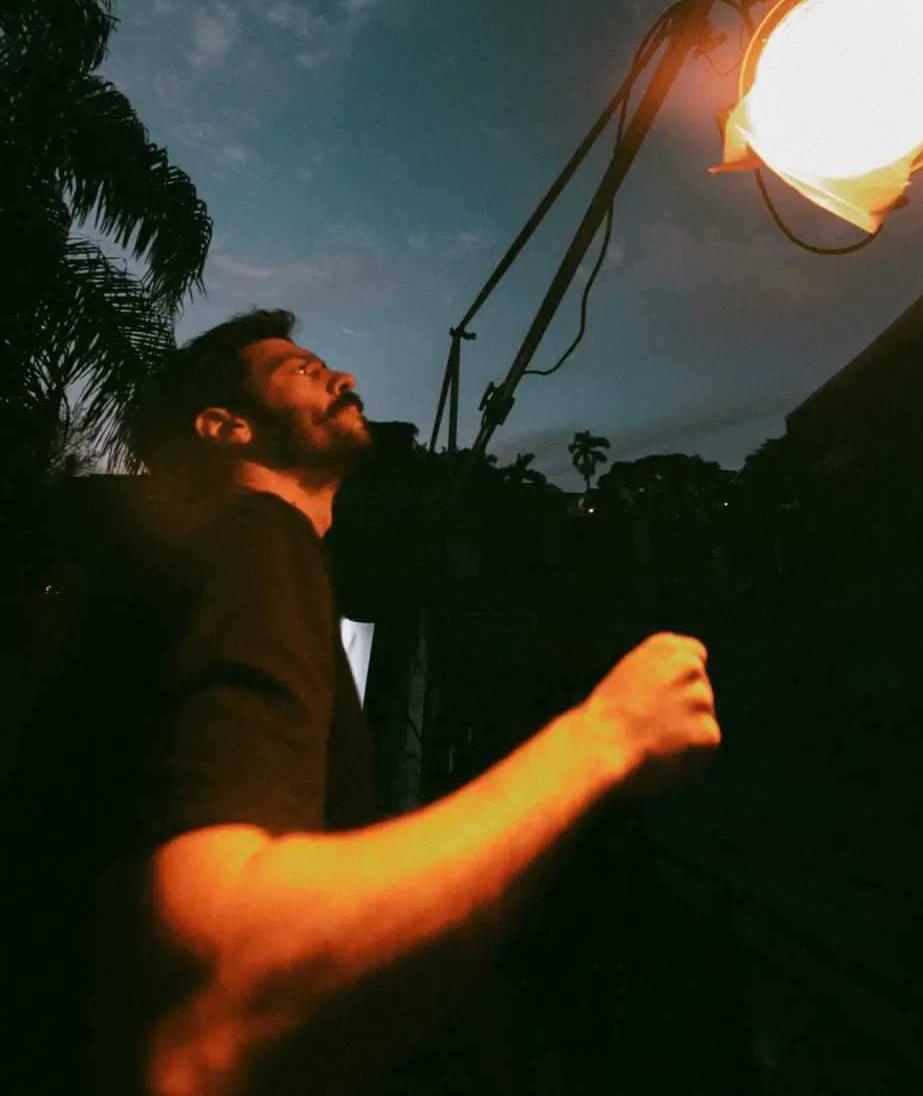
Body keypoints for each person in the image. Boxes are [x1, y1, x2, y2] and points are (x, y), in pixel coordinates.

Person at [2, 307, 721, 1096]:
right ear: (226, 427)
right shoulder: (253, 536)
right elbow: (226, 979)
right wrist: (606, 737)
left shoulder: (207, 559)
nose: (343, 378)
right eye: (303, 371)